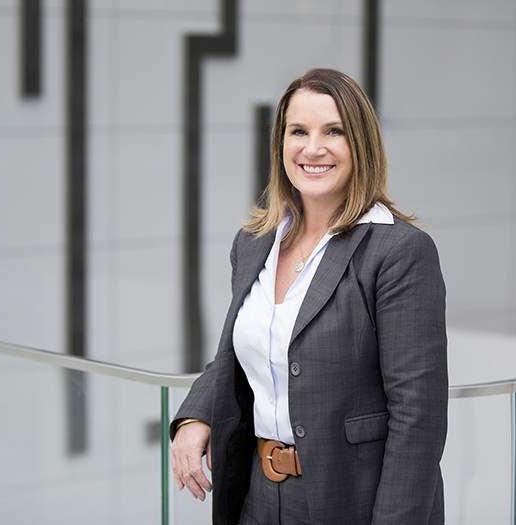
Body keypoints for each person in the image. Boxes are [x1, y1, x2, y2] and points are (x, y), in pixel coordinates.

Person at [170, 68, 448, 525]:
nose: (312, 147)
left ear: (360, 144)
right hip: (258, 494)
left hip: (352, 500)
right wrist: (195, 416)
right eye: (298, 131)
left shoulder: (399, 252)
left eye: (333, 131)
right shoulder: (254, 243)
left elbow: (418, 417)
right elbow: (248, 348)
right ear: (281, 142)